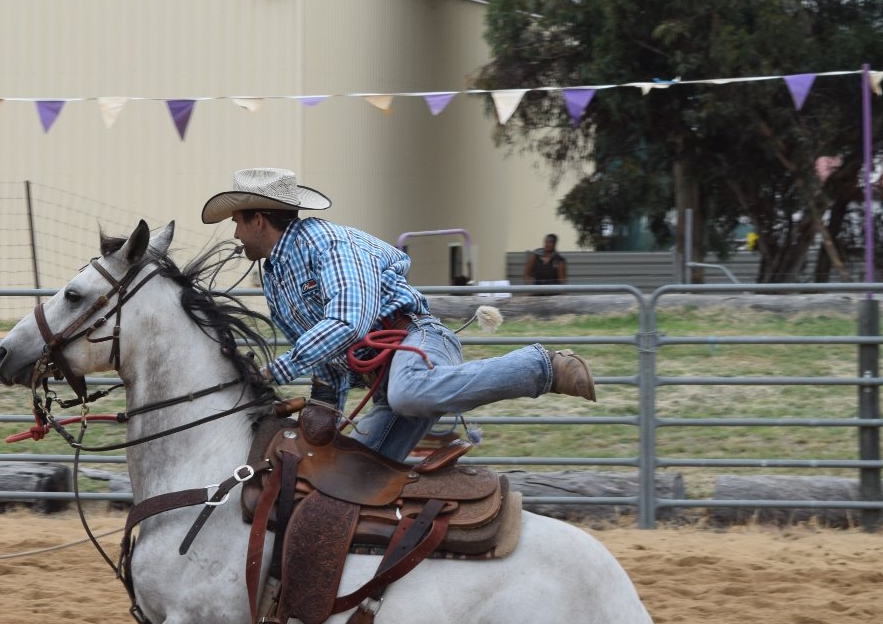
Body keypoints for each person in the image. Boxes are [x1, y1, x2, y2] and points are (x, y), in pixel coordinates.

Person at [201, 168, 595, 462]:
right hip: (388, 382)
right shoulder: (275, 277)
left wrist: (273, 372)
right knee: (348, 472)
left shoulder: (328, 243)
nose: (235, 233)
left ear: (258, 219)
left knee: (408, 392)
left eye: (237, 222)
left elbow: (348, 321)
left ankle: (542, 367)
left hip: (417, 340)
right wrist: (326, 409)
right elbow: (327, 355)